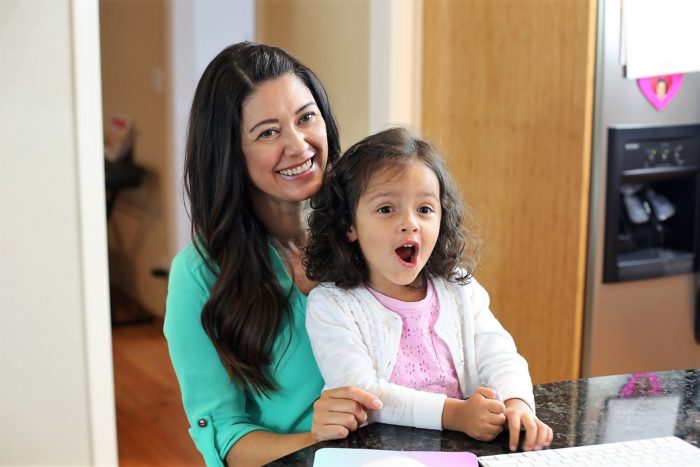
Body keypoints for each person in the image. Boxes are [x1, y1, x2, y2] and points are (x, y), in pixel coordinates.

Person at [163, 42, 382, 467]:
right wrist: (316, 443)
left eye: (306, 118)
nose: (299, 145)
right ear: (229, 154)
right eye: (268, 132)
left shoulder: (372, 228)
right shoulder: (197, 276)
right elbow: (225, 435)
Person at [303, 127, 554, 452]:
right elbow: (362, 392)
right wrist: (457, 414)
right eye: (386, 209)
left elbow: (500, 353)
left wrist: (517, 402)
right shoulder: (332, 304)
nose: (411, 223)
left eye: (424, 209)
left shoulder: (458, 286)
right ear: (349, 225)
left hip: (461, 451)